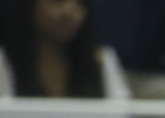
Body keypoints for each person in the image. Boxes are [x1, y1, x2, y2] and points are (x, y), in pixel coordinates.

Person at [0, 0, 130, 98]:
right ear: (29, 6)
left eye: (79, 3)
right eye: (58, 1)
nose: (69, 12)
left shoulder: (101, 60)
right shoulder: (4, 62)